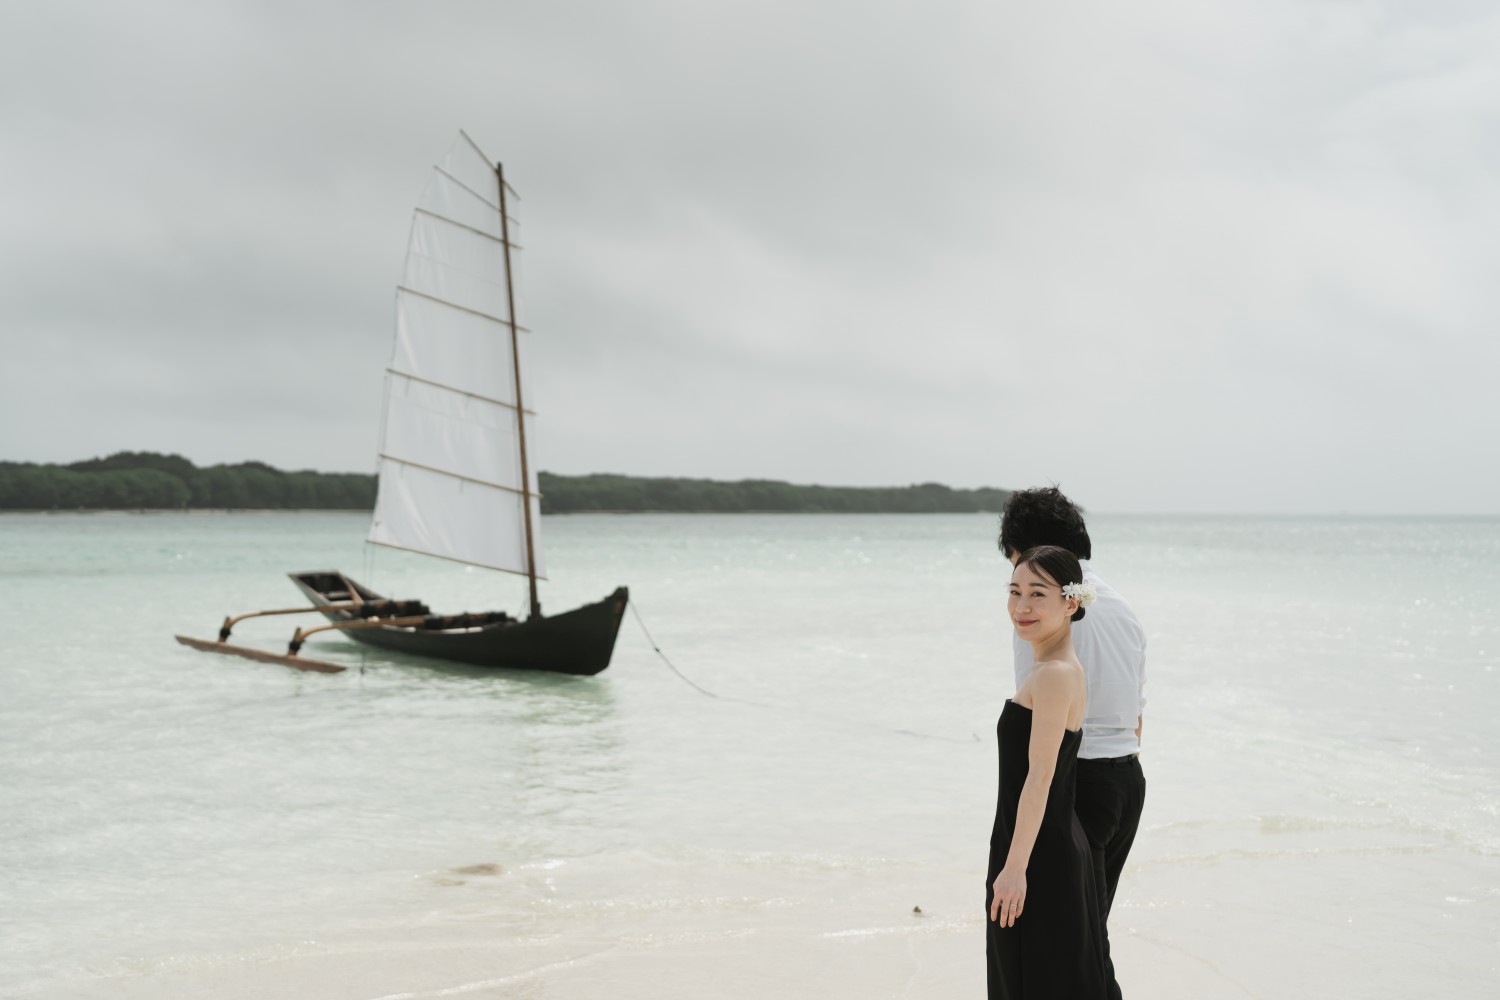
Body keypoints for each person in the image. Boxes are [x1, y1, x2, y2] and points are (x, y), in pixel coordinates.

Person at [999, 487, 1147, 1000]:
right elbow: (1138, 712)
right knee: (1086, 938)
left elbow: (1037, 732)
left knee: (1066, 951)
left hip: (1074, 784)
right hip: (1126, 780)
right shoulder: (1123, 607)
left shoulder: (1047, 618)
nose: (1021, 594)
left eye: (1021, 564)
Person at [987, 545, 1107, 999]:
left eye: (1038, 594)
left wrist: (1015, 868)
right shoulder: (1053, 668)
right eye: (1015, 591)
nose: (1022, 607)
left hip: (1039, 854)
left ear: (1070, 603)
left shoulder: (1055, 674)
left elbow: (1040, 777)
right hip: (1040, 843)